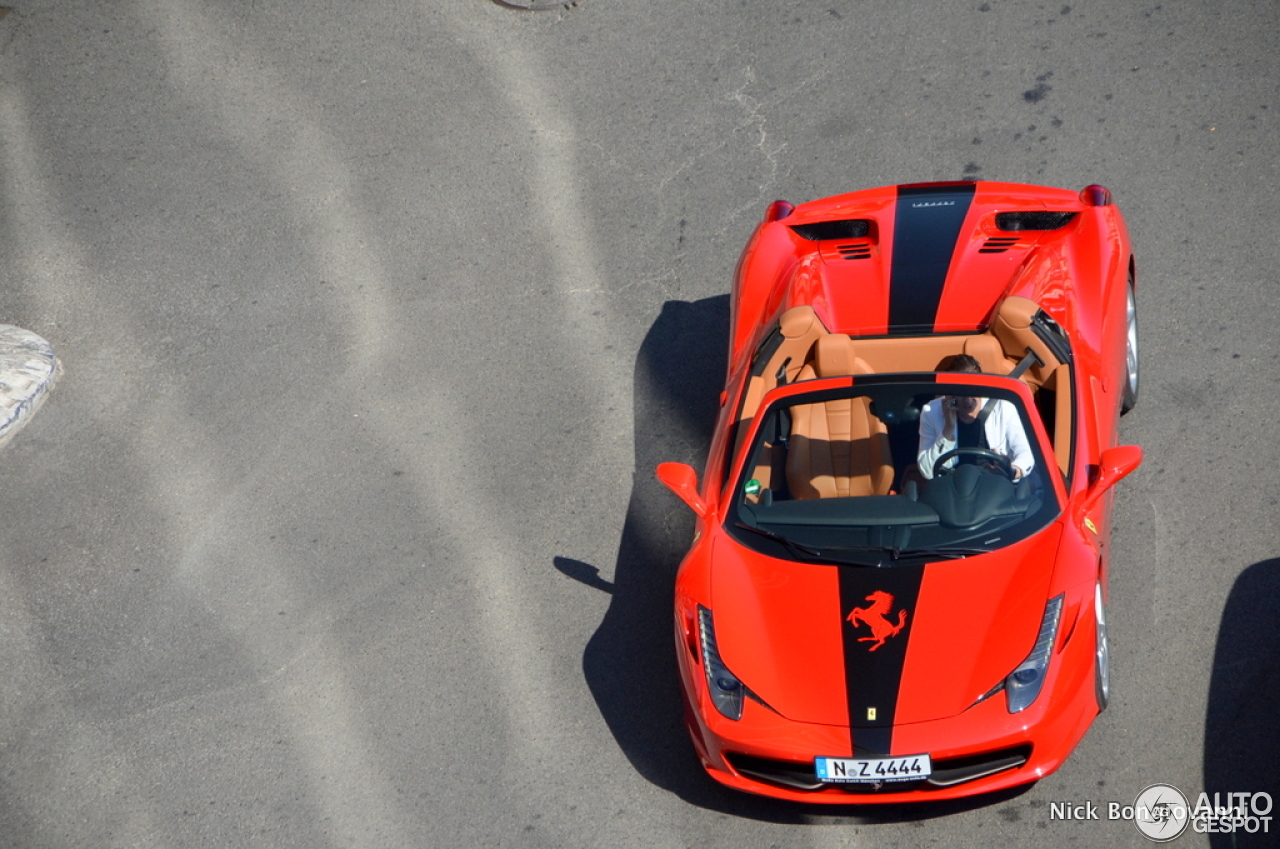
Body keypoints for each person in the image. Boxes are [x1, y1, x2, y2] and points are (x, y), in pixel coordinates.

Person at [917, 355, 1034, 481]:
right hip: (952, 488)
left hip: (996, 485)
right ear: (950, 393)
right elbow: (927, 471)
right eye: (961, 393)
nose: (968, 400)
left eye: (973, 391)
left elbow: (1026, 454)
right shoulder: (931, 412)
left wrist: (1011, 470)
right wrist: (948, 430)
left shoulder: (1004, 406)